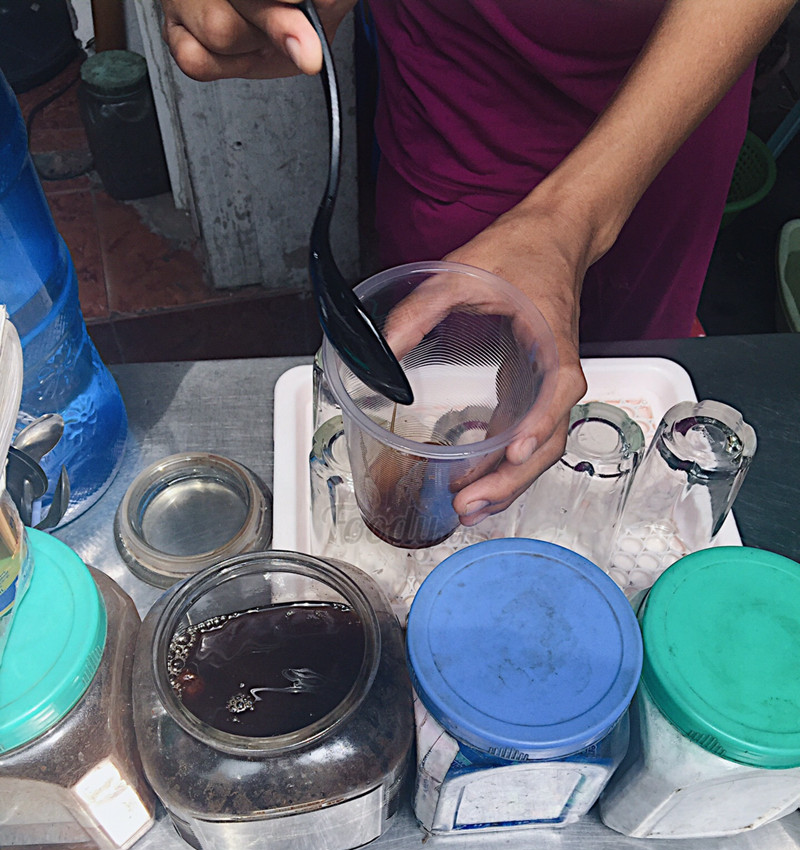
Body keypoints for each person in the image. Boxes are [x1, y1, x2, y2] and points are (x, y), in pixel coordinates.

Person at [160, 0, 793, 527]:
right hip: (457, 98)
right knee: (431, 349)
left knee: (625, 351)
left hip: (668, 100)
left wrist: (570, 219)